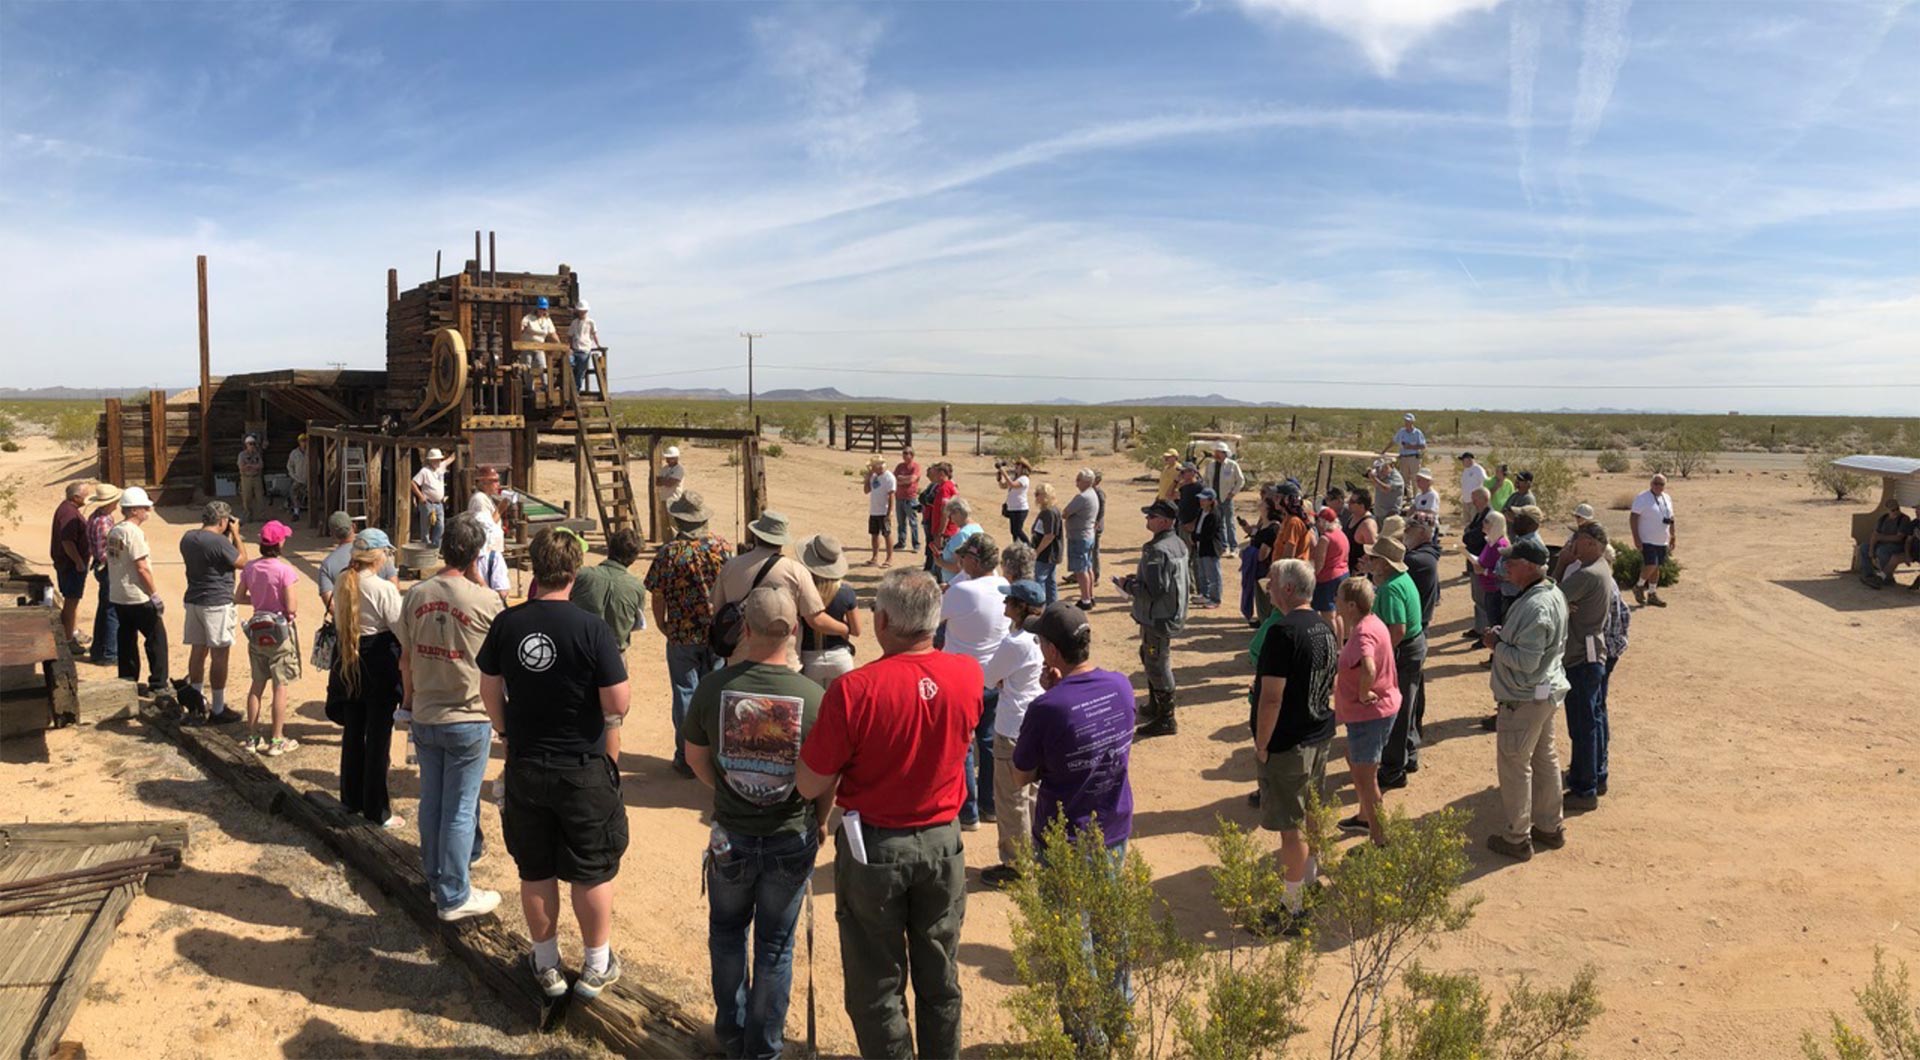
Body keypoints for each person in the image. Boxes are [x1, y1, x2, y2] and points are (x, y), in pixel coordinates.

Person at [795, 569, 982, 1060]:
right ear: (934, 622)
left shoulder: (856, 690)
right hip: (944, 841)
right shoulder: (968, 675)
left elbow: (811, 781)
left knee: (876, 981)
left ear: (881, 622)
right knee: (940, 975)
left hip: (875, 845)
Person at [479, 526, 633, 1000]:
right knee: (590, 869)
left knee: (536, 868)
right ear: (575, 570)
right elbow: (618, 701)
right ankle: (595, 964)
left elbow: (489, 687)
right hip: (582, 764)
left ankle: (546, 965)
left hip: (527, 761)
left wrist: (506, 731)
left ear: (535, 568)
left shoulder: (509, 623)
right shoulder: (591, 628)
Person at [681, 586, 832, 1058]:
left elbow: (696, 758)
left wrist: (727, 791)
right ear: (796, 630)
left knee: (726, 934)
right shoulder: (814, 696)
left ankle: (730, 1030)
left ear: (745, 630)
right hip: (790, 833)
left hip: (732, 832)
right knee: (774, 948)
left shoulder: (713, 688)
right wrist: (820, 821)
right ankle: (763, 1046)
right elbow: (827, 779)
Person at [397, 512, 505, 922]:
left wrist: (407, 704)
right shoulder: (486, 600)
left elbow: (405, 659)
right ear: (477, 555)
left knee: (433, 801)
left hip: (426, 710)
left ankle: (435, 876)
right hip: (468, 714)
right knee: (461, 806)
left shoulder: (416, 594)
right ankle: (454, 892)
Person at [1249, 559, 1338, 934]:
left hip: (1290, 741)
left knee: (1291, 827)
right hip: (1319, 732)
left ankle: (1293, 908)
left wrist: (1262, 743)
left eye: (1271, 583)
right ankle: (1310, 880)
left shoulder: (1282, 632)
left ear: (1287, 589)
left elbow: (1271, 698)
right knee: (1313, 811)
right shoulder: (1324, 625)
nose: (1267, 588)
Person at [1482, 537, 1568, 860]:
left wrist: (1496, 644)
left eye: (1512, 562)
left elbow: (1527, 661)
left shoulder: (1536, 605)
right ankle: (1549, 826)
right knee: (1544, 758)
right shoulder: (1551, 593)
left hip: (1524, 697)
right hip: (1545, 692)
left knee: (1515, 764)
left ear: (1530, 567)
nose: (1506, 567)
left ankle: (1517, 837)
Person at [645, 493, 733, 776]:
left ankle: (686, 756)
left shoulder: (669, 553)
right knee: (714, 692)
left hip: (682, 632)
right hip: (717, 632)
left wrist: (662, 624)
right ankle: (713, 753)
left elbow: (657, 595)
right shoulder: (721, 547)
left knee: (685, 693)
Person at [330, 528, 404, 828]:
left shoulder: (342, 581)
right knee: (378, 737)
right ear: (377, 555)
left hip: (347, 656)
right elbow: (401, 629)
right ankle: (377, 808)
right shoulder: (383, 588)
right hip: (378, 660)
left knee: (352, 730)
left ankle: (350, 798)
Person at [713, 511, 846, 670]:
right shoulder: (795, 571)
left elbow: (717, 609)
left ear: (756, 536)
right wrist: (844, 629)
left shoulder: (731, 566)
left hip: (739, 660)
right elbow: (815, 620)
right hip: (784, 662)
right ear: (781, 541)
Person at [980, 580, 1047, 888]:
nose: (1004, 605)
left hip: (1012, 724)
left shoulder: (1015, 642)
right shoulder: (1042, 636)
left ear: (1021, 607)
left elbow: (989, 677)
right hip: (1035, 719)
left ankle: (1017, 865)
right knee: (1032, 794)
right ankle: (1036, 854)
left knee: (1010, 798)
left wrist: (1002, 682)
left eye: (1009, 602)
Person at [943, 533, 1010, 832]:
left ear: (974, 559)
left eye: (964, 557)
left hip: (960, 679)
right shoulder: (1005, 588)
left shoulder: (964, 591)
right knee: (988, 741)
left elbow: (933, 618)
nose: (959, 561)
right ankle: (989, 806)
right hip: (994, 677)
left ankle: (968, 813)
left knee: (964, 746)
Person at [1333, 577, 1397, 848]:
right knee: (1353, 757)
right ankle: (1364, 818)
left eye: (1338, 597)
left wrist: (1362, 694)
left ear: (1350, 605)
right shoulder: (1372, 622)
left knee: (1365, 777)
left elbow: (1368, 667)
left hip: (1368, 715)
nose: (1334, 602)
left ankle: (1380, 840)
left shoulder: (1361, 634)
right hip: (1372, 714)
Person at [1122, 499, 1190, 739]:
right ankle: (1155, 705)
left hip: (1157, 617)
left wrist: (1128, 585)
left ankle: (1166, 718)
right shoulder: (1177, 543)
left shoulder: (1157, 550)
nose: (1147, 520)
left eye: (1151, 516)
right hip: (1168, 613)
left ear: (1163, 521)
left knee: (1157, 663)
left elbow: (1154, 590)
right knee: (1150, 657)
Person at [1558, 523, 1614, 812]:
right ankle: (1595, 774)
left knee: (1582, 726)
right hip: (1593, 655)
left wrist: (1561, 564)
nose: (1572, 544)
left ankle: (1584, 788)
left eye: (1577, 539)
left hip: (1580, 657)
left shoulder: (1586, 575)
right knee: (1594, 717)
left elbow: (1551, 599)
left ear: (1591, 543)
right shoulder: (1602, 568)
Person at [104, 486, 176, 709]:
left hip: (119, 594)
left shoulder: (115, 530)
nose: (148, 511)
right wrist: (154, 593)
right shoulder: (133, 533)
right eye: (145, 508)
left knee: (126, 638)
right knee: (156, 638)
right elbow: (141, 566)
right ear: (135, 510)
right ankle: (158, 683)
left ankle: (128, 680)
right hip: (137, 595)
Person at [236, 520, 302, 756]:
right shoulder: (285, 570)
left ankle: (253, 737)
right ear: (280, 543)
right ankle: (276, 739)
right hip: (279, 630)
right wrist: (286, 609)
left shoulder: (250, 568)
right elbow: (292, 605)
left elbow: (239, 596)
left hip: (257, 630)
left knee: (257, 683)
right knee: (279, 686)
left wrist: (257, 602)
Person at [179, 501, 248, 723]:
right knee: (220, 655)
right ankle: (218, 708)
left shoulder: (188, 538)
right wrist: (236, 535)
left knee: (197, 652)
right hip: (217, 602)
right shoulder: (219, 542)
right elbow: (243, 562)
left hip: (194, 600)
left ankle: (196, 703)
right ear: (222, 521)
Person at [1366, 537, 1425, 792]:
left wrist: (1382, 657)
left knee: (1396, 712)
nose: (1370, 561)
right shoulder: (1400, 580)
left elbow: (1397, 630)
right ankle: (1409, 756)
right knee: (1410, 706)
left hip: (1403, 652)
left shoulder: (1390, 588)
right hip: (1414, 647)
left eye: (1374, 558)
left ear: (1385, 563)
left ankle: (1393, 771)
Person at [798, 534, 862, 687]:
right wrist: (843, 628)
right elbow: (857, 630)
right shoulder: (846, 592)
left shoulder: (802, 591)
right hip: (840, 657)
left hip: (809, 658)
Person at [572, 528, 649, 651]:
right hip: (615, 654)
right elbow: (636, 622)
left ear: (610, 548)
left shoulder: (582, 576)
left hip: (581, 650)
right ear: (634, 558)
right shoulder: (636, 587)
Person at [319, 510, 396, 611]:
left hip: (346, 623)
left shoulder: (327, 564)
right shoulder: (375, 552)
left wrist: (345, 621)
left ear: (332, 534)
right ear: (354, 527)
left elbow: (331, 605)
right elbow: (394, 586)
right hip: (380, 620)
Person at [50, 480, 92, 654]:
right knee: (71, 601)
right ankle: (67, 640)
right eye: (85, 494)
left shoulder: (67, 509)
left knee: (71, 601)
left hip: (68, 564)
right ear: (76, 497)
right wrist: (79, 561)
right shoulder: (70, 514)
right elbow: (67, 542)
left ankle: (70, 634)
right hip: (70, 566)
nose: (88, 498)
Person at [85, 483, 122, 667]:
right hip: (106, 568)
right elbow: (103, 553)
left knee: (104, 610)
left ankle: (99, 650)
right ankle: (109, 653)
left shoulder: (97, 517)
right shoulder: (102, 521)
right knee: (111, 611)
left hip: (101, 568)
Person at [468, 467, 514, 604]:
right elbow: (486, 525)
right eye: (494, 481)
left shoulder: (486, 498)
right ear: (483, 483)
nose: (497, 484)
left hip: (491, 550)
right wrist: (501, 508)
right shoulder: (479, 500)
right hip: (485, 552)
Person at [1629, 474, 1675, 607]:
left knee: (1656, 567)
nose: (1658, 486)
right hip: (1647, 539)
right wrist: (1636, 537)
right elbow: (1633, 517)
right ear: (1651, 483)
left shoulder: (1667, 498)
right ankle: (1638, 586)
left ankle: (1652, 594)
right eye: (1656, 483)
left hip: (1662, 539)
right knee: (1651, 564)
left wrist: (1673, 535)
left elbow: (1671, 518)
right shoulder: (1642, 498)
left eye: (1661, 484)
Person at [1064, 470, 1101, 609]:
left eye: (1078, 479)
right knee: (1088, 566)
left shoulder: (1082, 497)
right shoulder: (1093, 494)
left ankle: (1085, 600)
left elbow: (1065, 512)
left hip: (1079, 536)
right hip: (1088, 534)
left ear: (1086, 481)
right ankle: (1090, 596)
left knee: (1080, 570)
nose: (1076, 481)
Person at [1199, 444, 1246, 547]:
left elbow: (1240, 480)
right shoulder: (1210, 465)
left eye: (1218, 452)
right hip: (1214, 499)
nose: (1216, 454)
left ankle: (1233, 546)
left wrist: (1233, 493)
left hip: (1226, 498)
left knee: (1230, 523)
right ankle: (1223, 545)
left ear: (1224, 453)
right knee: (1219, 522)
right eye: (1215, 452)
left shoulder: (1232, 465)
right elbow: (1206, 480)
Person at [1310, 506, 1349, 629]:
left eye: (1318, 520)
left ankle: (1331, 643)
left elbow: (1319, 564)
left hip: (1328, 579)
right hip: (1343, 574)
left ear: (1322, 522)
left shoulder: (1325, 538)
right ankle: (1339, 643)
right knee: (1338, 614)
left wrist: (1313, 578)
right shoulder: (1341, 534)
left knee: (1328, 615)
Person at [411, 448, 455, 549]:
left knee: (440, 527)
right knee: (426, 528)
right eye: (435, 460)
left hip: (439, 504)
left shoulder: (441, 466)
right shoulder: (424, 471)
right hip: (427, 503)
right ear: (430, 461)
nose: (437, 462)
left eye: (439, 459)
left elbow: (452, 458)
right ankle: (425, 549)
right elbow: (413, 483)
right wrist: (421, 497)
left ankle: (435, 549)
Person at [1404, 517, 1443, 632]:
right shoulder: (1428, 552)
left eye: (1409, 528)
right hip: (1419, 618)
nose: (1405, 532)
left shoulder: (1415, 559)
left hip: (1413, 622)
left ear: (1421, 532)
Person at [935, 498, 983, 585]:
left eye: (950, 516)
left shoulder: (962, 535)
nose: (951, 520)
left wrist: (940, 562)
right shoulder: (977, 528)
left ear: (957, 512)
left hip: (955, 583)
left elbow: (959, 567)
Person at [1029, 483, 1063, 604]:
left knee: (1040, 580)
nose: (1035, 497)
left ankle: (1041, 607)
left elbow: (1049, 536)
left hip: (1046, 554)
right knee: (1050, 581)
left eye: (1037, 494)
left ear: (1045, 496)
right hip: (1049, 553)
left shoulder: (1049, 512)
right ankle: (1052, 607)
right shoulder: (1050, 510)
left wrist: (1036, 552)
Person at [921, 462, 958, 572]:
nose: (933, 476)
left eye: (935, 473)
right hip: (945, 531)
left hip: (945, 533)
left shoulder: (945, 489)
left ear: (942, 473)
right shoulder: (945, 486)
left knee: (940, 563)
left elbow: (945, 513)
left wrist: (940, 534)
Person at [519, 296, 558, 397]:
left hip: (540, 347)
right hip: (527, 346)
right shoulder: (528, 318)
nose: (543, 310)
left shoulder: (547, 320)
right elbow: (521, 328)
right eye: (541, 308)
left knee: (542, 366)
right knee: (527, 367)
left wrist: (559, 343)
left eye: (544, 309)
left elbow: (552, 333)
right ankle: (529, 388)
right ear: (537, 308)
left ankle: (546, 386)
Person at [1191, 489, 1224, 608]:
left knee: (1213, 574)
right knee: (1202, 573)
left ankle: (1215, 599)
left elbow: (1208, 534)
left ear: (1211, 501)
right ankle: (1205, 595)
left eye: (1204, 499)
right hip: (1200, 546)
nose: (1201, 501)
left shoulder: (1214, 514)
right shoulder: (1202, 512)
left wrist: (1196, 537)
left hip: (1210, 548)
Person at [864, 456, 896, 567]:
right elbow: (866, 491)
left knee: (887, 534)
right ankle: (875, 557)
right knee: (874, 534)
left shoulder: (889, 477)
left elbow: (891, 495)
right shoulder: (874, 476)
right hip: (874, 510)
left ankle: (889, 558)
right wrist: (867, 478)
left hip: (884, 510)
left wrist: (890, 512)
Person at [568, 300, 603, 390]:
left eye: (583, 311)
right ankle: (571, 387)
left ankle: (576, 389)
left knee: (580, 372)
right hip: (575, 349)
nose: (582, 313)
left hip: (584, 350)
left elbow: (594, 334)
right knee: (570, 364)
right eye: (580, 311)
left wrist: (598, 345)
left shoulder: (591, 322)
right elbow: (570, 336)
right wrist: (570, 347)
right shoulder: (574, 322)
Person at [893, 447, 923, 552]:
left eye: (907, 453)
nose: (905, 455)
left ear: (912, 455)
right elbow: (894, 479)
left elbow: (912, 479)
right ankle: (901, 542)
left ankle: (916, 544)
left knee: (913, 522)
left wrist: (902, 479)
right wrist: (903, 480)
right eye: (903, 453)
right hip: (899, 497)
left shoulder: (916, 467)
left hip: (910, 498)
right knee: (901, 522)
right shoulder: (899, 466)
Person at [996, 458, 1032, 544]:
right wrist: (999, 479)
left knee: (1017, 530)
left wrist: (1003, 471)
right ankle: (1017, 548)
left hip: (1021, 508)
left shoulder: (1024, 479)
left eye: (1018, 465)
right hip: (1012, 508)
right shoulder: (1015, 478)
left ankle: (1029, 547)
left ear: (1023, 467)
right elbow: (1004, 486)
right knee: (1013, 532)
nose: (1016, 467)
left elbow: (1012, 485)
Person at [237, 433, 267, 522]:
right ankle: (248, 516)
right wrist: (252, 466)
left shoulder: (257, 455)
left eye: (253, 444)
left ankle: (261, 516)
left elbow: (260, 465)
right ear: (246, 445)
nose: (252, 446)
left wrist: (250, 466)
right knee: (247, 498)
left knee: (260, 497)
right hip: (246, 478)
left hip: (256, 477)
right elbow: (242, 467)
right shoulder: (242, 455)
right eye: (250, 444)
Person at [1344, 491, 1378, 566]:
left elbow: (1372, 549)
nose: (1348, 503)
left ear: (1362, 506)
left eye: (1352, 501)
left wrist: (1359, 567)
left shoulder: (1367, 524)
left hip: (1357, 572)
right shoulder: (1353, 516)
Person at [1457, 452, 1488, 521]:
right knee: (1466, 522)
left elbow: (1485, 483)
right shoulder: (1465, 470)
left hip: (1475, 502)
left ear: (1469, 460)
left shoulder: (1478, 469)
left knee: (1474, 522)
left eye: (1463, 460)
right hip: (1466, 501)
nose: (1462, 462)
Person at [286, 434, 310, 519]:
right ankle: (296, 512)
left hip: (309, 479)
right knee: (293, 493)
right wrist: (294, 476)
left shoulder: (311, 452)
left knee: (315, 493)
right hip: (297, 479)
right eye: (302, 441)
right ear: (299, 442)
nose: (304, 443)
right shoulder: (294, 453)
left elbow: (317, 465)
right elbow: (289, 466)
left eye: (306, 441)